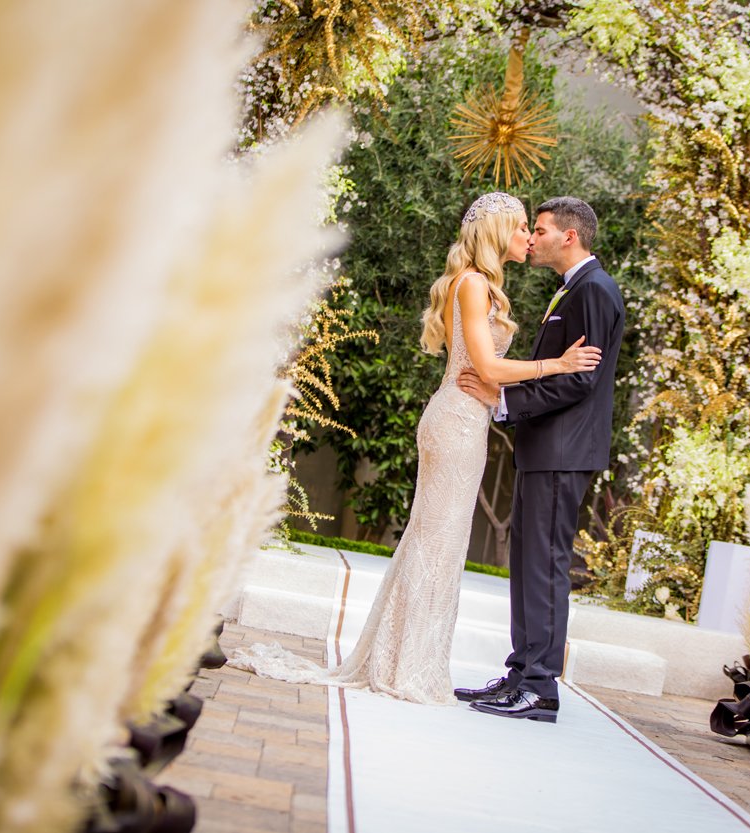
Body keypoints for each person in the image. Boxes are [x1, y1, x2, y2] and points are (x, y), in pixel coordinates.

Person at [230, 192, 601, 704]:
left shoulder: (481, 285)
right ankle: (406, 666)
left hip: (467, 419)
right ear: (498, 232)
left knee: (438, 543)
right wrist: (555, 365)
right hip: (456, 422)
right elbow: (486, 368)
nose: (528, 238)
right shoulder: (472, 284)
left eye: (532, 229)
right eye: (521, 227)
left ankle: (408, 659)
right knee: (436, 542)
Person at [455, 196, 625, 723]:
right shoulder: (572, 288)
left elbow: (580, 380)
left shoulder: (593, 289)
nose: (533, 239)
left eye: (542, 230)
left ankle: (540, 687)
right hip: (546, 448)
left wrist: (504, 401)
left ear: (569, 237)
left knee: (545, 566)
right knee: (529, 564)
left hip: (563, 449)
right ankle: (521, 672)